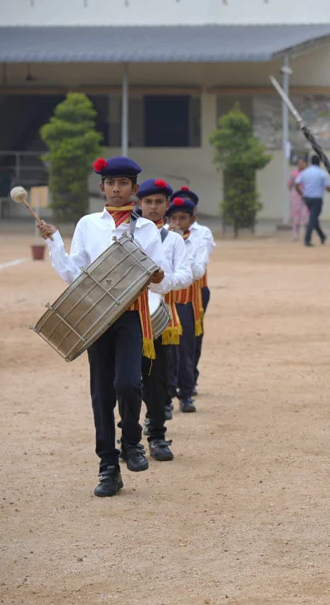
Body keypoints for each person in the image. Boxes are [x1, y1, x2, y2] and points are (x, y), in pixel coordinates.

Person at [37, 157, 170, 497]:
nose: (116, 188)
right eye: (110, 183)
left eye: (123, 183)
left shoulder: (147, 230)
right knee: (101, 394)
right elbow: (74, 274)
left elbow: (159, 279)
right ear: (102, 188)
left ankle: (131, 441)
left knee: (128, 383)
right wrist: (54, 242)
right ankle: (108, 466)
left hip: (129, 314)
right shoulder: (88, 225)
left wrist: (156, 277)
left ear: (134, 189)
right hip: (96, 318)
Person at [136, 178, 194, 461]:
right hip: (130, 316)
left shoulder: (172, 239)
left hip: (160, 318)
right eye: (148, 202)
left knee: (157, 380)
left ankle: (157, 435)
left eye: (159, 202)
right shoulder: (127, 234)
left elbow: (186, 275)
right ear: (140, 204)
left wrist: (161, 282)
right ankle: (130, 436)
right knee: (127, 380)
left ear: (167, 205)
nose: (154, 207)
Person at [170, 186, 216, 396]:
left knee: (193, 337)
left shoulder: (202, 232)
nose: (179, 221)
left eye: (184, 214)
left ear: (193, 212)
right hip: (170, 292)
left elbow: (198, 269)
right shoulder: (165, 233)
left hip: (196, 291)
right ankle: (174, 382)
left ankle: (189, 378)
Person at [297, 154, 330, 247]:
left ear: (310, 162)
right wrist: (328, 188)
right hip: (317, 199)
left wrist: (301, 194)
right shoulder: (322, 173)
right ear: (319, 162)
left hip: (307, 198)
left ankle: (322, 236)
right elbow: (328, 188)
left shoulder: (305, 172)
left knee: (313, 217)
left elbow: (297, 184)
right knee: (313, 218)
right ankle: (307, 239)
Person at [287, 156, 310, 241]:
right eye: (300, 163)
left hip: (306, 195)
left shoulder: (308, 173)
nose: (301, 164)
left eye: (303, 163)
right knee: (295, 214)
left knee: (306, 215)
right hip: (296, 196)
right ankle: (295, 234)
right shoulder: (293, 174)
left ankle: (307, 234)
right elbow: (289, 185)